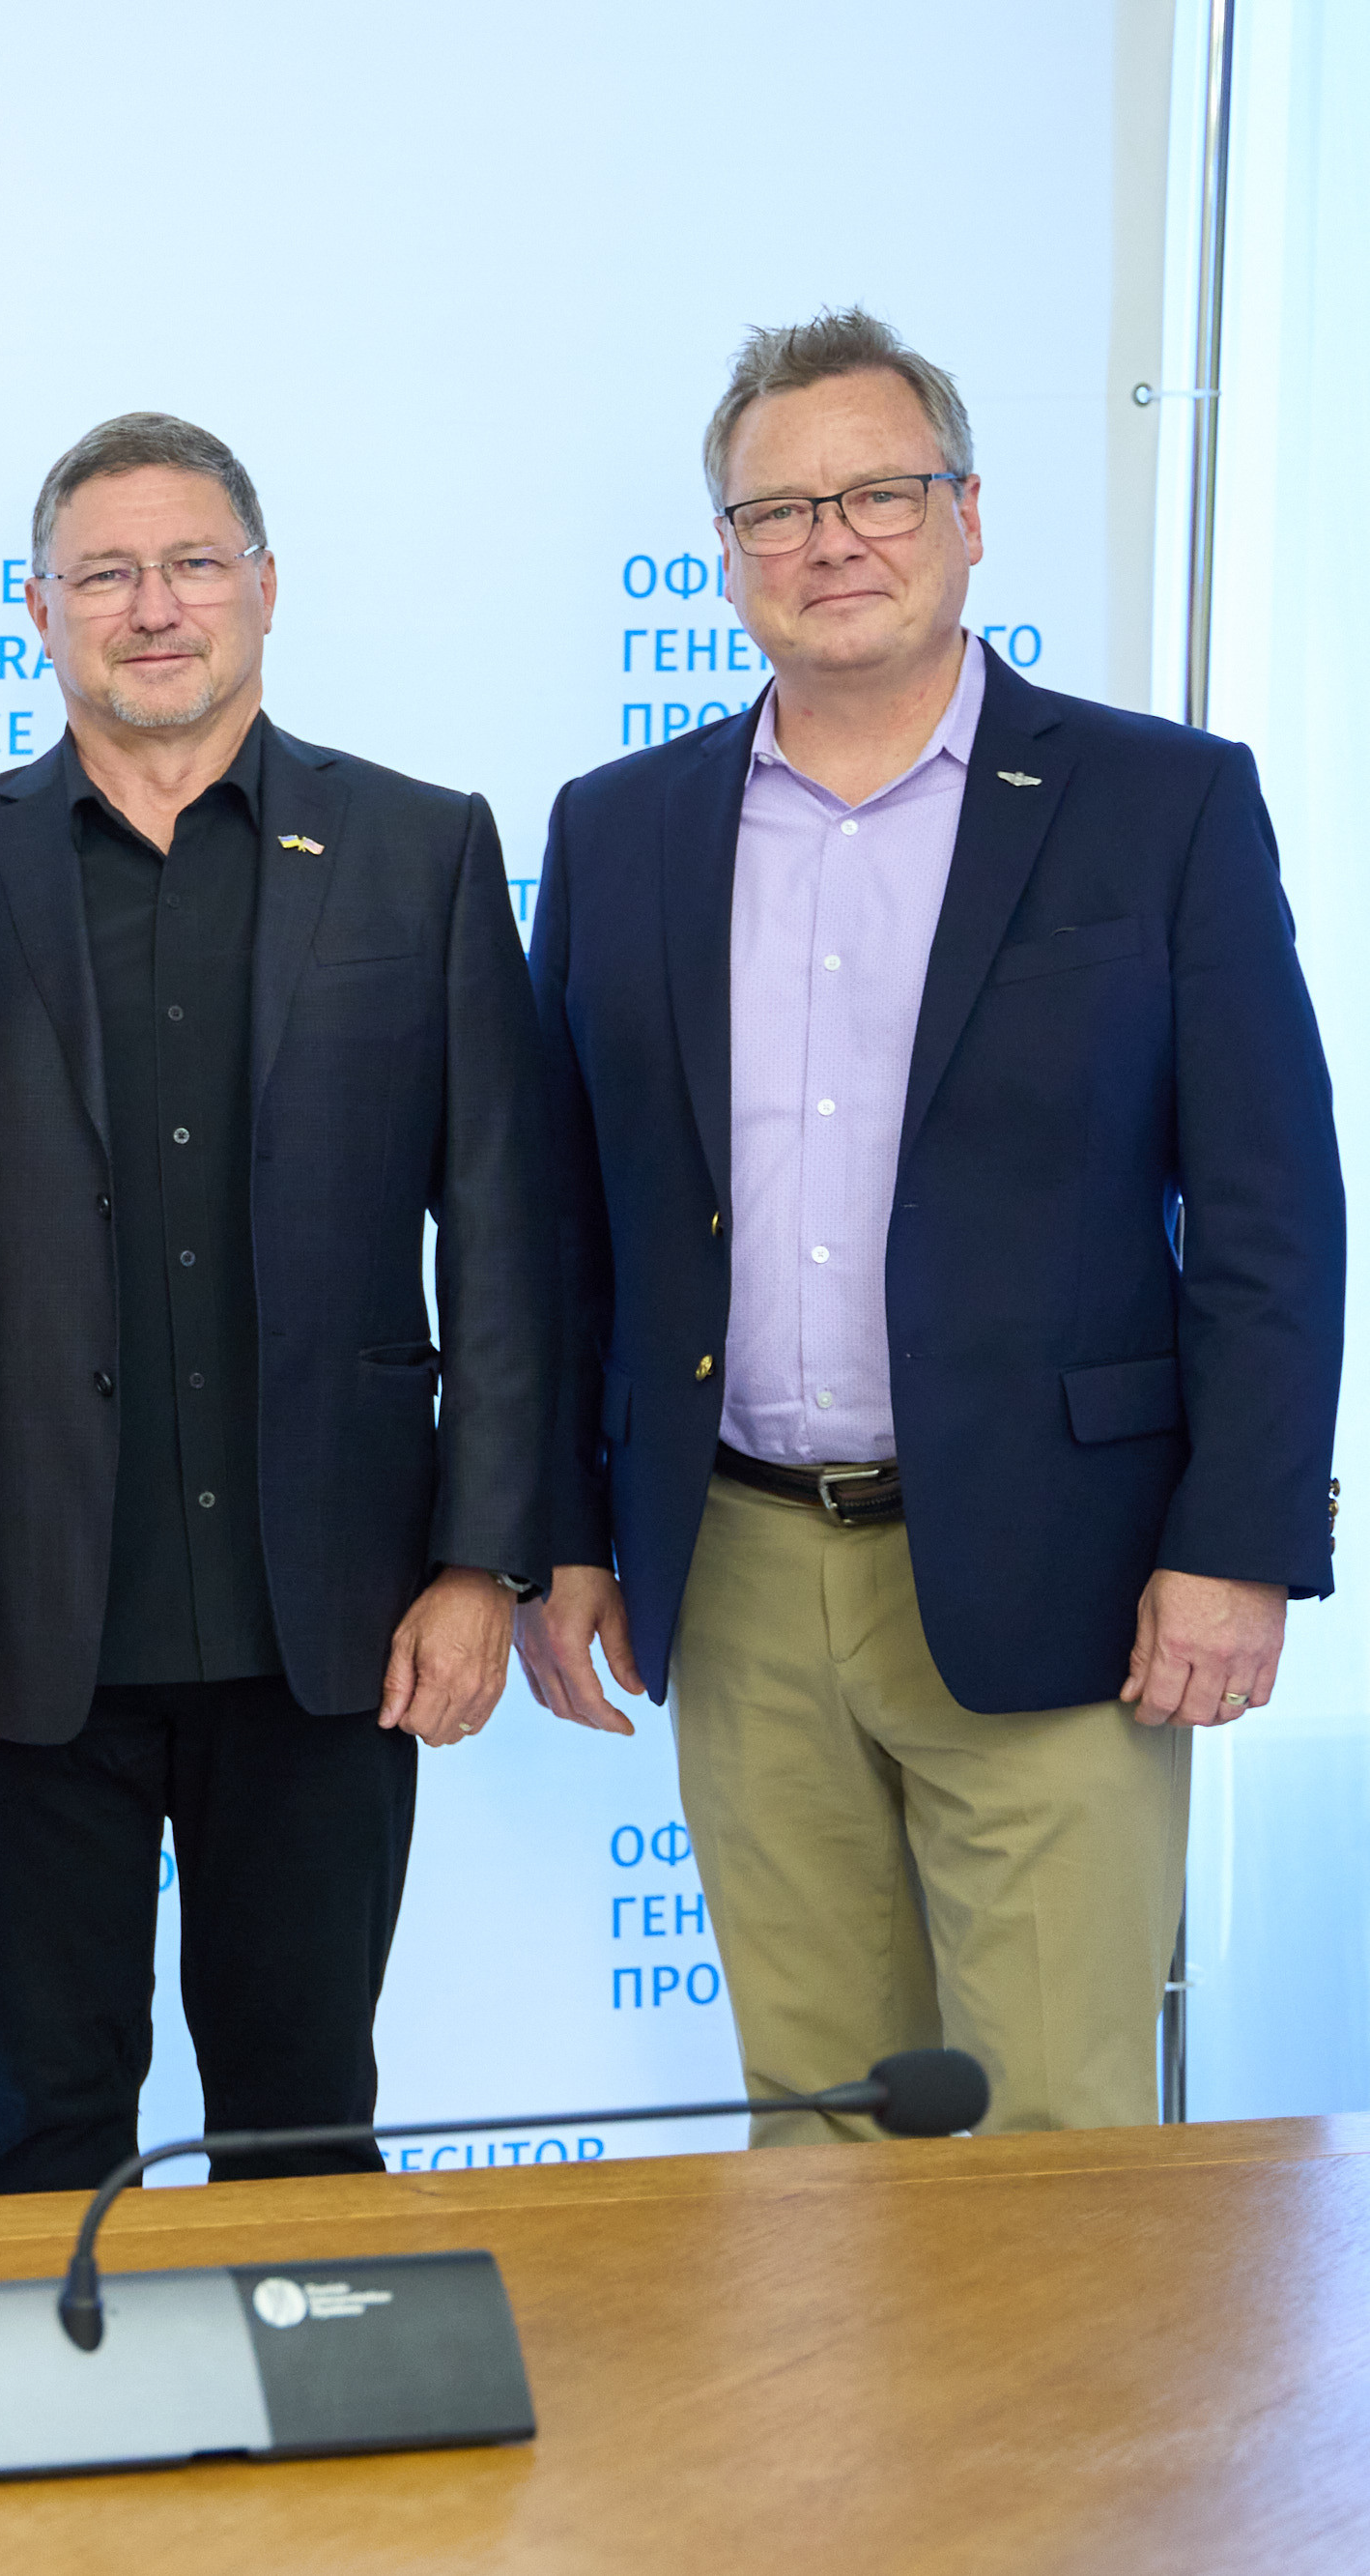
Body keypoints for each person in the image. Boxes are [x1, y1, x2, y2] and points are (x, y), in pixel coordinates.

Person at [518, 307, 1342, 2138]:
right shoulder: (621, 828)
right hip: (737, 1571)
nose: (831, 541)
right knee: (814, 2134)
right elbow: (569, 1224)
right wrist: (558, 1532)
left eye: (878, 493)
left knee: (1056, 2147)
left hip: (1065, 1573)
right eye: (779, 510)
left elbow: (1273, 1205)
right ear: (727, 553)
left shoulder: (1163, 804)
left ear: (968, 514)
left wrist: (1242, 1542)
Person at [0, 414, 551, 2194]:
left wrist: (483, 1562)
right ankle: (62, 2388)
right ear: (38, 610)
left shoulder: (420, 849)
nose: (154, 606)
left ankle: (302, 2394)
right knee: (41, 2127)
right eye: (105, 572)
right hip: (19, 1628)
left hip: (335, 1623)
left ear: (266, 587)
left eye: (193, 564)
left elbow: (507, 1230)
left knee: (306, 2121)